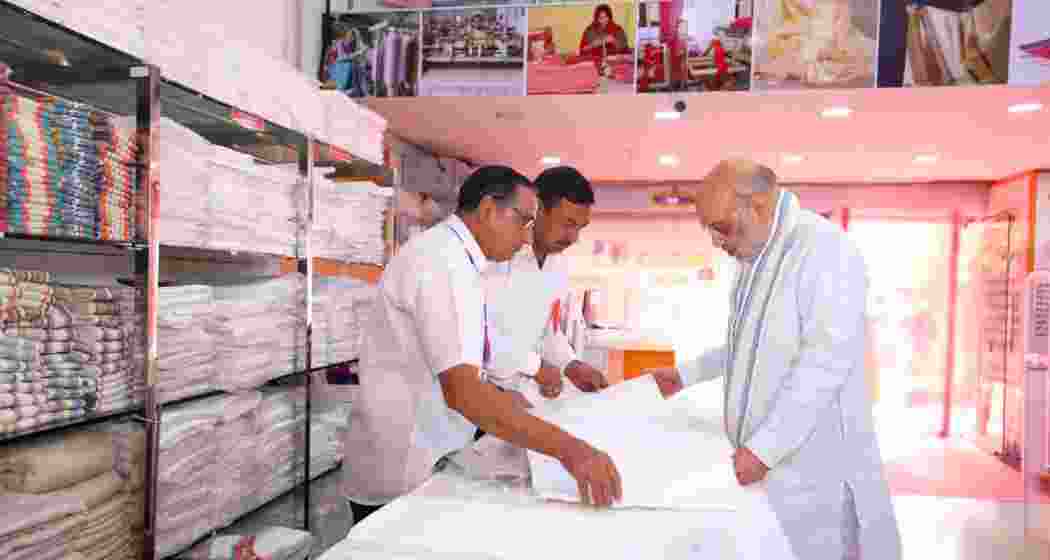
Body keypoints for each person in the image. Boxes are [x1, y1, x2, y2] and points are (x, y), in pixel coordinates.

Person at [646, 159, 901, 560]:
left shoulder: (824, 251)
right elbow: (747, 344)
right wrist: (685, 374)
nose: (716, 242)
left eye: (722, 227)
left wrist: (765, 448)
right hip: (771, 472)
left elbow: (824, 362)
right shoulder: (756, 258)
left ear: (759, 205)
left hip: (814, 476)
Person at [342, 166, 622, 525]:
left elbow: (478, 348)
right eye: (523, 221)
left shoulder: (457, 259)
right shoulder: (442, 263)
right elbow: (465, 390)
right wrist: (572, 451)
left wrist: (556, 370)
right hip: (403, 461)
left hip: (437, 443)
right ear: (490, 209)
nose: (525, 238)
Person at [482, 166, 608, 403]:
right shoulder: (497, 255)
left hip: (522, 397)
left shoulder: (557, 264)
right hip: (482, 394)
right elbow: (483, 335)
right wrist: (536, 367)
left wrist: (570, 364)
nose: (573, 238)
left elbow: (546, 331)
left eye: (580, 228)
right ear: (536, 208)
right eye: (568, 223)